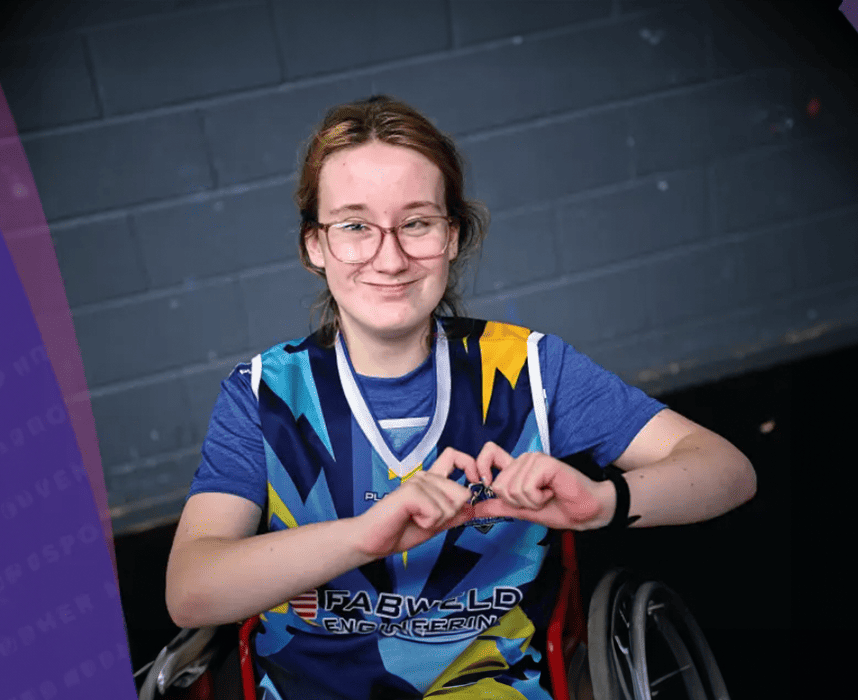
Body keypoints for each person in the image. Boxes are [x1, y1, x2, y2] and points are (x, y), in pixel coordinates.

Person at [165, 95, 756, 700]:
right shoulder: (262, 395)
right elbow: (190, 591)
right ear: (314, 246)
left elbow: (728, 471)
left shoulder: (530, 370)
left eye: (417, 222)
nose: (389, 258)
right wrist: (365, 536)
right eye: (354, 226)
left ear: (453, 237)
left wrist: (603, 501)